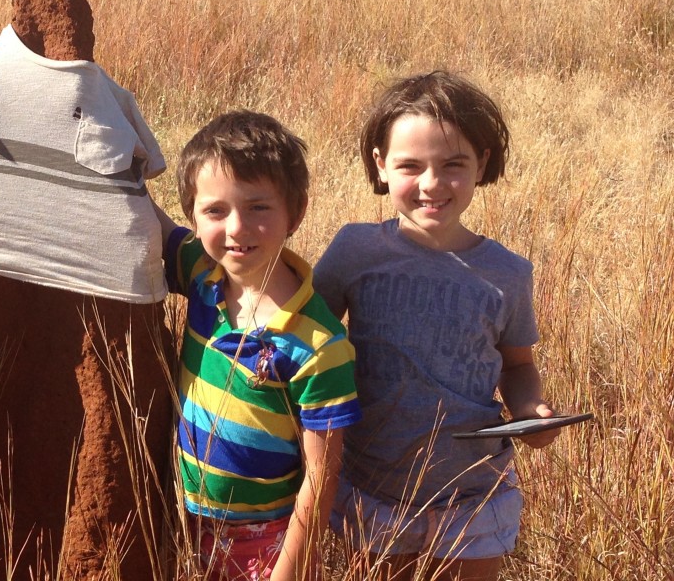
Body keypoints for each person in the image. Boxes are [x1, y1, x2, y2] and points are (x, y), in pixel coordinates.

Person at [313, 71, 560, 581]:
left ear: (481, 165)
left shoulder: (507, 273)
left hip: (475, 490)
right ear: (381, 166)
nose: (431, 184)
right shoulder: (356, 250)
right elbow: (308, 336)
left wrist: (533, 410)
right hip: (375, 488)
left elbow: (517, 365)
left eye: (453, 165)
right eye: (410, 166)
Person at [154, 110, 362, 581]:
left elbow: (320, 475)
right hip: (181, 522)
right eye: (215, 211)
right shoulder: (203, 276)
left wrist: (288, 571)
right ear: (193, 216)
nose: (236, 228)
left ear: (297, 211)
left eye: (258, 207)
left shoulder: (318, 346)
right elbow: (154, 225)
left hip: (264, 542)